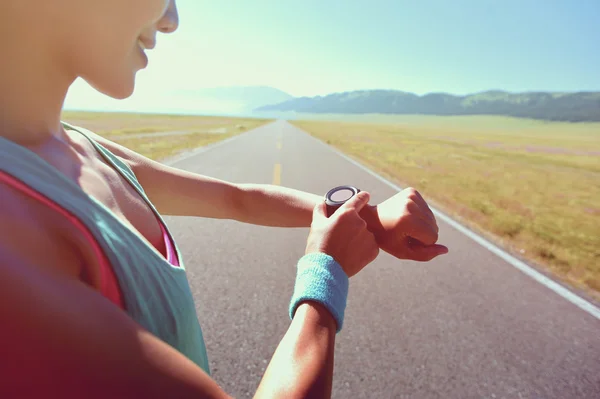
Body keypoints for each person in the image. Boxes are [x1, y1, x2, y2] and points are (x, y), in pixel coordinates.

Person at [0, 0, 448, 397]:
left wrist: (366, 217)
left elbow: (239, 199)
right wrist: (325, 275)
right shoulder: (11, 236)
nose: (172, 19)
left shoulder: (81, 146)